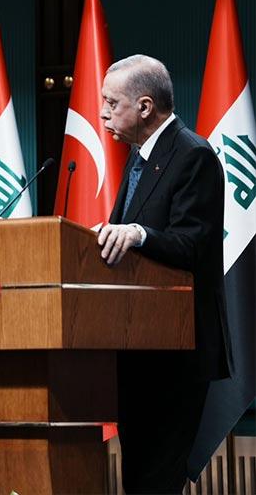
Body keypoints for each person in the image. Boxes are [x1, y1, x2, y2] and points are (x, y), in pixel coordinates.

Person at [96, 55, 232, 493]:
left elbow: (193, 245)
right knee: (138, 480)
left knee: (157, 482)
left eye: (111, 103)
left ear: (145, 106)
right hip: (137, 349)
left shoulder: (193, 156)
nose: (102, 113)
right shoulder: (138, 158)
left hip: (176, 352)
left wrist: (137, 234)